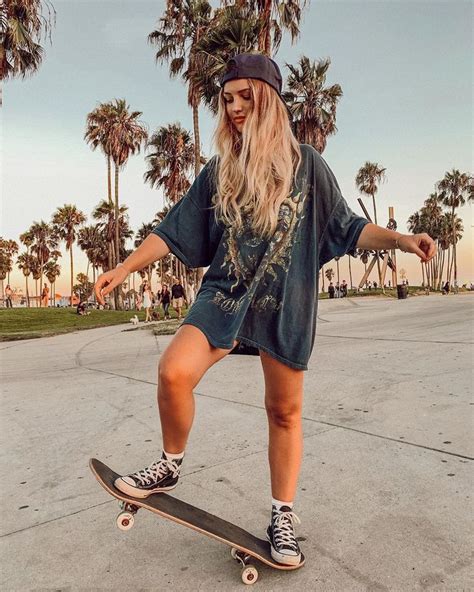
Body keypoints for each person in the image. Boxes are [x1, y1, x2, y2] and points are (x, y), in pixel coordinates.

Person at [94, 52, 437, 567]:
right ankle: (169, 464)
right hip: (225, 295)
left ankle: (281, 516)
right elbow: (173, 230)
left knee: (283, 411)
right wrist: (124, 267)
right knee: (172, 372)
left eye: (244, 96)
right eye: (226, 99)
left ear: (269, 100)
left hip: (285, 302)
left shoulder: (306, 165)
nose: (233, 107)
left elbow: (347, 228)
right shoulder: (219, 171)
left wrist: (401, 239)